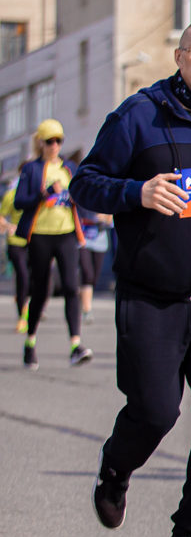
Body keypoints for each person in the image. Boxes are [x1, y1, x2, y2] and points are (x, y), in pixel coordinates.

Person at [71, 19, 191, 537]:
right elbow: (85, 182)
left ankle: (187, 532)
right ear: (179, 55)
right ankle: (115, 470)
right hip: (151, 293)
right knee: (154, 410)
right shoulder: (137, 115)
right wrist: (137, 192)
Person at [13, 119, 91, 369]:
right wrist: (44, 194)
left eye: (58, 141)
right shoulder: (32, 168)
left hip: (66, 233)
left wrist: (75, 198)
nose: (54, 145)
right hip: (40, 236)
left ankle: (75, 345)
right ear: (41, 143)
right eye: (49, 141)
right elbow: (19, 202)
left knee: (70, 286)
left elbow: (81, 194)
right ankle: (30, 341)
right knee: (40, 291)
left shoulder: (69, 168)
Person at [0, 178, 30, 333]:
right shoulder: (11, 195)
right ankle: (22, 316)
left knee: (38, 278)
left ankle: (32, 307)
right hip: (16, 241)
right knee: (22, 276)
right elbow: (1, 216)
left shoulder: (41, 194)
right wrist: (8, 225)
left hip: (37, 240)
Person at [77, 208, 113, 324]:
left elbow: (110, 220)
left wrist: (104, 217)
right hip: (82, 238)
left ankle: (82, 295)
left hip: (99, 239)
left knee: (94, 277)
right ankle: (87, 310)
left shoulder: (105, 199)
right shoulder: (83, 199)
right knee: (87, 273)